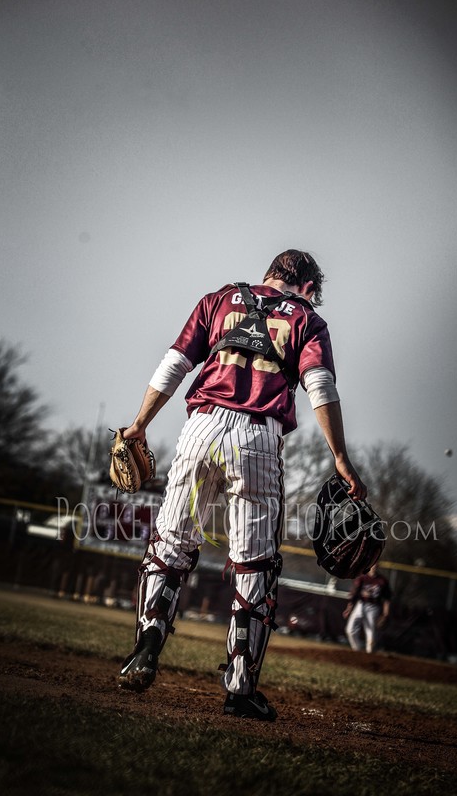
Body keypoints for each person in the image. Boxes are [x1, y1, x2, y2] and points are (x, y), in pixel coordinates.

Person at [117, 249, 367, 721]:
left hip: (200, 429)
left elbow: (174, 364)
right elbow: (320, 388)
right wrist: (340, 457)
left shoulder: (220, 299)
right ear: (310, 288)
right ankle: (239, 687)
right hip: (257, 436)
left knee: (170, 546)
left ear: (269, 274)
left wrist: (138, 425)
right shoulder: (308, 321)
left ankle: (144, 650)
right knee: (255, 565)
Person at [342, 564, 391, 654]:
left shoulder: (382, 581)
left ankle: (370, 653)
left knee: (371, 631)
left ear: (378, 566)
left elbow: (387, 598)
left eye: (375, 565)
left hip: (373, 606)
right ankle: (357, 650)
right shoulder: (362, 578)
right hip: (361, 604)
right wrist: (349, 608)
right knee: (350, 629)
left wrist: (385, 613)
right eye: (372, 565)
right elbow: (354, 594)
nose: (374, 567)